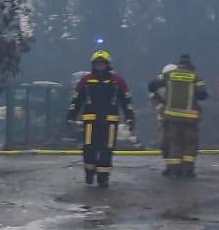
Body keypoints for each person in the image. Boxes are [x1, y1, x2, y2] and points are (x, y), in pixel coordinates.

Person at [66, 50, 134, 189]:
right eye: (98, 63)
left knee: (106, 150)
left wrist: (130, 118)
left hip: (110, 121)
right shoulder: (86, 81)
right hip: (90, 121)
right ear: (93, 64)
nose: (100, 66)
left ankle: (103, 177)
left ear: (108, 64)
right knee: (89, 149)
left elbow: (126, 101)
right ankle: (89, 172)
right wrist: (71, 116)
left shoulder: (117, 81)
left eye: (102, 63)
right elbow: (76, 100)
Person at [150, 54, 208, 178]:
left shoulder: (169, 75)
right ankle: (188, 170)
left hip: (172, 117)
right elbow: (203, 95)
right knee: (190, 144)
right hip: (190, 118)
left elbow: (152, 85)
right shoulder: (196, 77)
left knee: (175, 144)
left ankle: (175, 170)